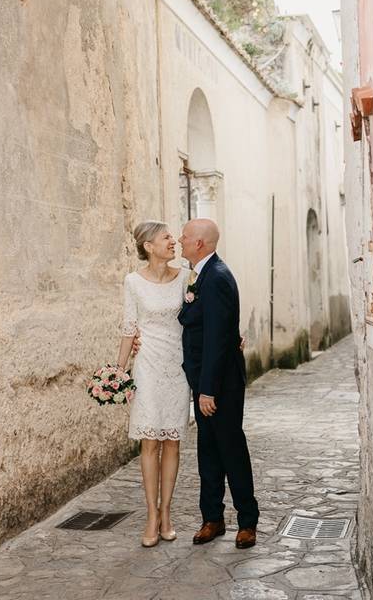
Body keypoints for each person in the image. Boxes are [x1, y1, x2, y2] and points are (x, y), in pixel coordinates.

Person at [177, 218, 259, 549]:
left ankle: (247, 521)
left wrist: (207, 389)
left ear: (200, 244)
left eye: (185, 236)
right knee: (208, 451)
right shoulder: (203, 275)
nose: (180, 240)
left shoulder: (217, 278)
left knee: (230, 450)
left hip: (220, 384)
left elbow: (215, 339)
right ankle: (212, 517)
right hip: (206, 381)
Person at [114, 220, 190, 547]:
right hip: (146, 365)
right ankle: (150, 514)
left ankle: (167, 513)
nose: (173, 241)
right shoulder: (132, 282)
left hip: (178, 364)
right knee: (149, 441)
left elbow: (200, 318)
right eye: (166, 237)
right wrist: (118, 371)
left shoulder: (187, 277)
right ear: (149, 246)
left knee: (172, 441)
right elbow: (130, 327)